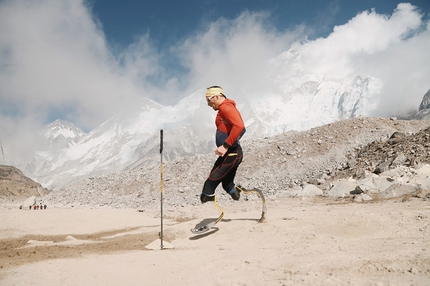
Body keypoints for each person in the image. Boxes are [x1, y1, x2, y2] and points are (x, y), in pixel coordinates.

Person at [200, 86, 246, 203]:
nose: (208, 104)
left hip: (232, 153)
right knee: (227, 184)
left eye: (208, 100)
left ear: (216, 97)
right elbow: (241, 129)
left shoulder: (226, 107)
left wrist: (226, 145)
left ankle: (206, 201)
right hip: (232, 153)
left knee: (208, 187)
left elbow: (240, 127)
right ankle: (237, 194)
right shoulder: (224, 108)